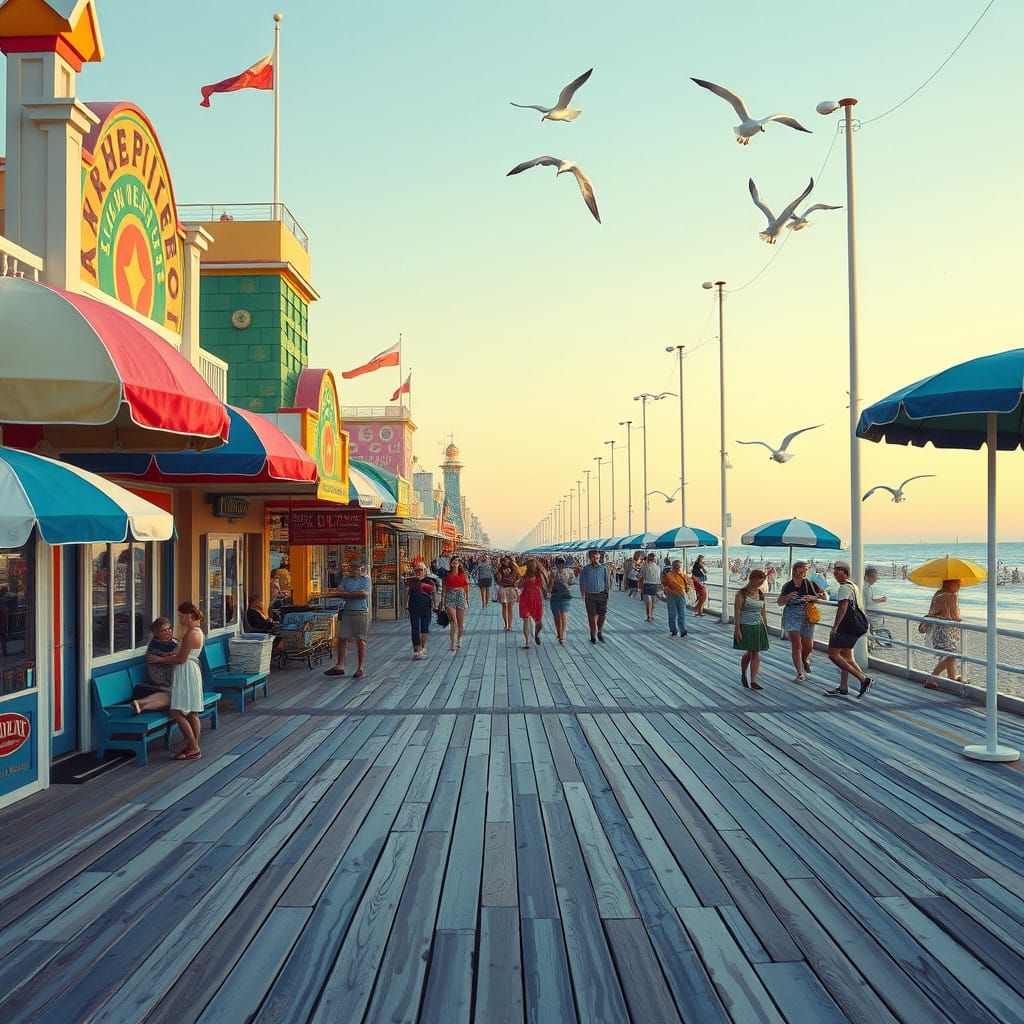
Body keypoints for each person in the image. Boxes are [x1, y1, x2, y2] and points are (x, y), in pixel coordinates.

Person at [152, 602, 205, 761]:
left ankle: (194, 747)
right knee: (192, 712)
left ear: (189, 616)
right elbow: (184, 654)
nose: (180, 620)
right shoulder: (198, 631)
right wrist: (172, 654)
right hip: (192, 670)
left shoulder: (191, 633)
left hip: (186, 671)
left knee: (176, 711)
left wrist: (160, 659)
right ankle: (192, 746)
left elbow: (181, 659)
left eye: (181, 616)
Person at [825, 561, 872, 699]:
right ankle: (843, 687)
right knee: (846, 657)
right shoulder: (853, 586)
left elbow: (843, 608)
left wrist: (835, 626)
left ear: (844, 572)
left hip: (846, 626)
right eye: (834, 571)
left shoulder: (844, 587)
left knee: (833, 655)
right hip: (854, 627)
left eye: (838, 570)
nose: (835, 573)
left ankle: (864, 679)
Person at [777, 562, 827, 682]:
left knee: (808, 645)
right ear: (795, 570)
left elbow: (822, 597)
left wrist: (812, 597)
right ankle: (799, 673)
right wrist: (788, 597)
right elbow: (780, 602)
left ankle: (804, 659)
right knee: (797, 644)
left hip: (806, 615)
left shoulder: (809, 583)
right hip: (791, 614)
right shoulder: (788, 585)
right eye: (801, 570)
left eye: (805, 571)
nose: (804, 573)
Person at [327, 562, 371, 678]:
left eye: (357, 568)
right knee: (342, 637)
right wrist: (344, 593)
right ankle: (340, 665)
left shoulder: (366, 579)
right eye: (352, 567)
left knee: (360, 639)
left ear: (361, 568)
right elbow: (340, 591)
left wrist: (346, 594)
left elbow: (363, 594)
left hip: (360, 611)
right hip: (347, 610)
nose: (354, 570)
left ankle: (360, 668)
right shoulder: (346, 579)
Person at [129, 618, 177, 715]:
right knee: (176, 698)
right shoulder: (156, 645)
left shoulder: (171, 642)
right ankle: (141, 704)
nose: (168, 632)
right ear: (156, 634)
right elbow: (177, 656)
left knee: (173, 698)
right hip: (162, 679)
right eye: (163, 630)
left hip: (170, 680)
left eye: (169, 629)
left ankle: (142, 705)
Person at [921, 580, 962, 689]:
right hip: (945, 631)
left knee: (947, 654)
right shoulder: (951, 597)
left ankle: (952, 677)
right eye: (958, 584)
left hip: (936, 629)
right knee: (952, 654)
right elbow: (954, 617)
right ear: (951, 584)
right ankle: (932, 678)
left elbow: (934, 611)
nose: (959, 586)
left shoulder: (938, 594)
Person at [733, 570, 769, 691]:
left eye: (762, 581)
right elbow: (737, 612)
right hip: (746, 625)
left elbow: (763, 612)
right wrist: (737, 629)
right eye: (759, 580)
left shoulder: (761, 594)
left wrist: (765, 626)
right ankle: (744, 672)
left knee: (756, 652)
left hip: (758, 625)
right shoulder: (741, 594)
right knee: (749, 652)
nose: (761, 583)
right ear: (752, 579)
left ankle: (753, 680)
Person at [579, 548, 611, 643]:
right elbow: (582, 582)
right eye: (593, 557)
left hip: (602, 594)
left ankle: (599, 630)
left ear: (599, 557)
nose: (595, 559)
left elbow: (607, 581)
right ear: (590, 558)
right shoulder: (586, 569)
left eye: (597, 557)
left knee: (602, 615)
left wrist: (607, 593)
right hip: (590, 595)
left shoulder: (604, 568)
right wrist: (583, 594)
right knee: (591, 615)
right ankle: (593, 633)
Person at [406, 562, 437, 659]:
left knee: (424, 628)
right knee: (415, 628)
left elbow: (433, 593)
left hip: (426, 606)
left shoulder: (430, 581)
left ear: (425, 571)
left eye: (421, 569)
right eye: (417, 570)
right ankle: (416, 649)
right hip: (413, 605)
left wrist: (435, 604)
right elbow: (407, 593)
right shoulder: (412, 581)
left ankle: (423, 647)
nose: (419, 572)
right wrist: (406, 605)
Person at [518, 557, 548, 649]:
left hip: (530, 598)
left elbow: (519, 585)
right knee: (532, 619)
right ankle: (532, 637)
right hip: (532, 598)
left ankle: (530, 638)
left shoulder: (532, 576)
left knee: (529, 620)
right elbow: (544, 586)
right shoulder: (532, 576)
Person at [443, 557, 471, 651]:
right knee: (453, 621)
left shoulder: (463, 574)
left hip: (460, 595)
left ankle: (459, 638)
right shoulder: (447, 575)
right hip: (450, 596)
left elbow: (466, 588)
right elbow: (444, 589)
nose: (456, 562)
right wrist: (443, 601)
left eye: (458, 561)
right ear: (451, 563)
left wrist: (467, 599)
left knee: (460, 623)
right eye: (454, 560)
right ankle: (452, 643)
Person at [549, 556, 575, 643]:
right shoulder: (569, 571)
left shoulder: (553, 571)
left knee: (557, 615)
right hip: (565, 594)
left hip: (556, 594)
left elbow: (550, 584)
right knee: (563, 614)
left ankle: (560, 634)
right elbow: (571, 582)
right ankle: (562, 635)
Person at [662, 560, 691, 637]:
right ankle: (673, 629)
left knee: (682, 613)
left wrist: (687, 591)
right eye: (676, 566)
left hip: (681, 595)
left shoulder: (683, 575)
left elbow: (688, 584)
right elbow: (664, 584)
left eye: (679, 566)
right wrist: (666, 590)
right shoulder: (669, 575)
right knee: (672, 614)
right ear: (673, 567)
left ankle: (682, 629)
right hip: (671, 595)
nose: (678, 568)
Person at [496, 556, 520, 631]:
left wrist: (516, 583)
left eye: (507, 560)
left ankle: (509, 625)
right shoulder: (500, 568)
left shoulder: (514, 568)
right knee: (504, 607)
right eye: (505, 560)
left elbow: (519, 576)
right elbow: (497, 579)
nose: (506, 562)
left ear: (510, 561)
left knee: (510, 608)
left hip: (511, 588)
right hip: (503, 588)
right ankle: (506, 625)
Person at [863, 566, 887, 637]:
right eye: (874, 577)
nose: (875, 580)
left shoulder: (866, 586)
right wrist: (880, 600)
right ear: (867, 577)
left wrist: (879, 600)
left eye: (876, 578)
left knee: (872, 624)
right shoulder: (866, 587)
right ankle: (872, 638)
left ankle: (872, 638)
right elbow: (869, 602)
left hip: (866, 610)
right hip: (866, 611)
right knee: (874, 623)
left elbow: (868, 600)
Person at [640, 553, 662, 622]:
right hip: (654, 585)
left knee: (649, 602)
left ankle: (649, 616)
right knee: (652, 602)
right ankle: (650, 615)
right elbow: (659, 577)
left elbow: (640, 575)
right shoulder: (657, 567)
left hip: (648, 585)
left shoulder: (645, 566)